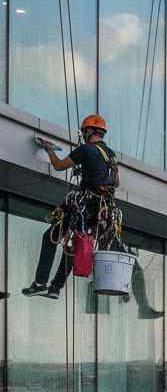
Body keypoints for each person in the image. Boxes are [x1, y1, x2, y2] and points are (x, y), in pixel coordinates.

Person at [25, 115, 123, 299]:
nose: (84, 134)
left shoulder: (86, 150)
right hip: (102, 212)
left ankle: (40, 283)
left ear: (88, 131)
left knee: (51, 237)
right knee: (75, 245)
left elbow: (59, 165)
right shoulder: (111, 155)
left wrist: (49, 149)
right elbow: (115, 183)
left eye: (84, 131)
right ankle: (55, 288)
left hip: (84, 206)